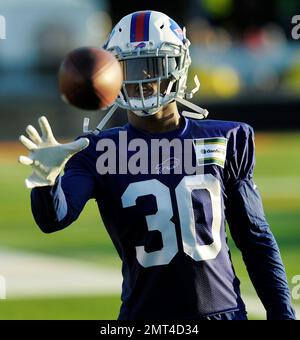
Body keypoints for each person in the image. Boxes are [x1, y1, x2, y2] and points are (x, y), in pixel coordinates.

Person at [19, 10, 295, 320]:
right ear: (113, 75)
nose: (143, 79)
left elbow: (255, 240)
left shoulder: (227, 138)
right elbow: (54, 218)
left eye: (154, 64)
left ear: (179, 65)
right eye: (131, 68)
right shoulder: (96, 150)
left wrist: (283, 313)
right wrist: (46, 180)